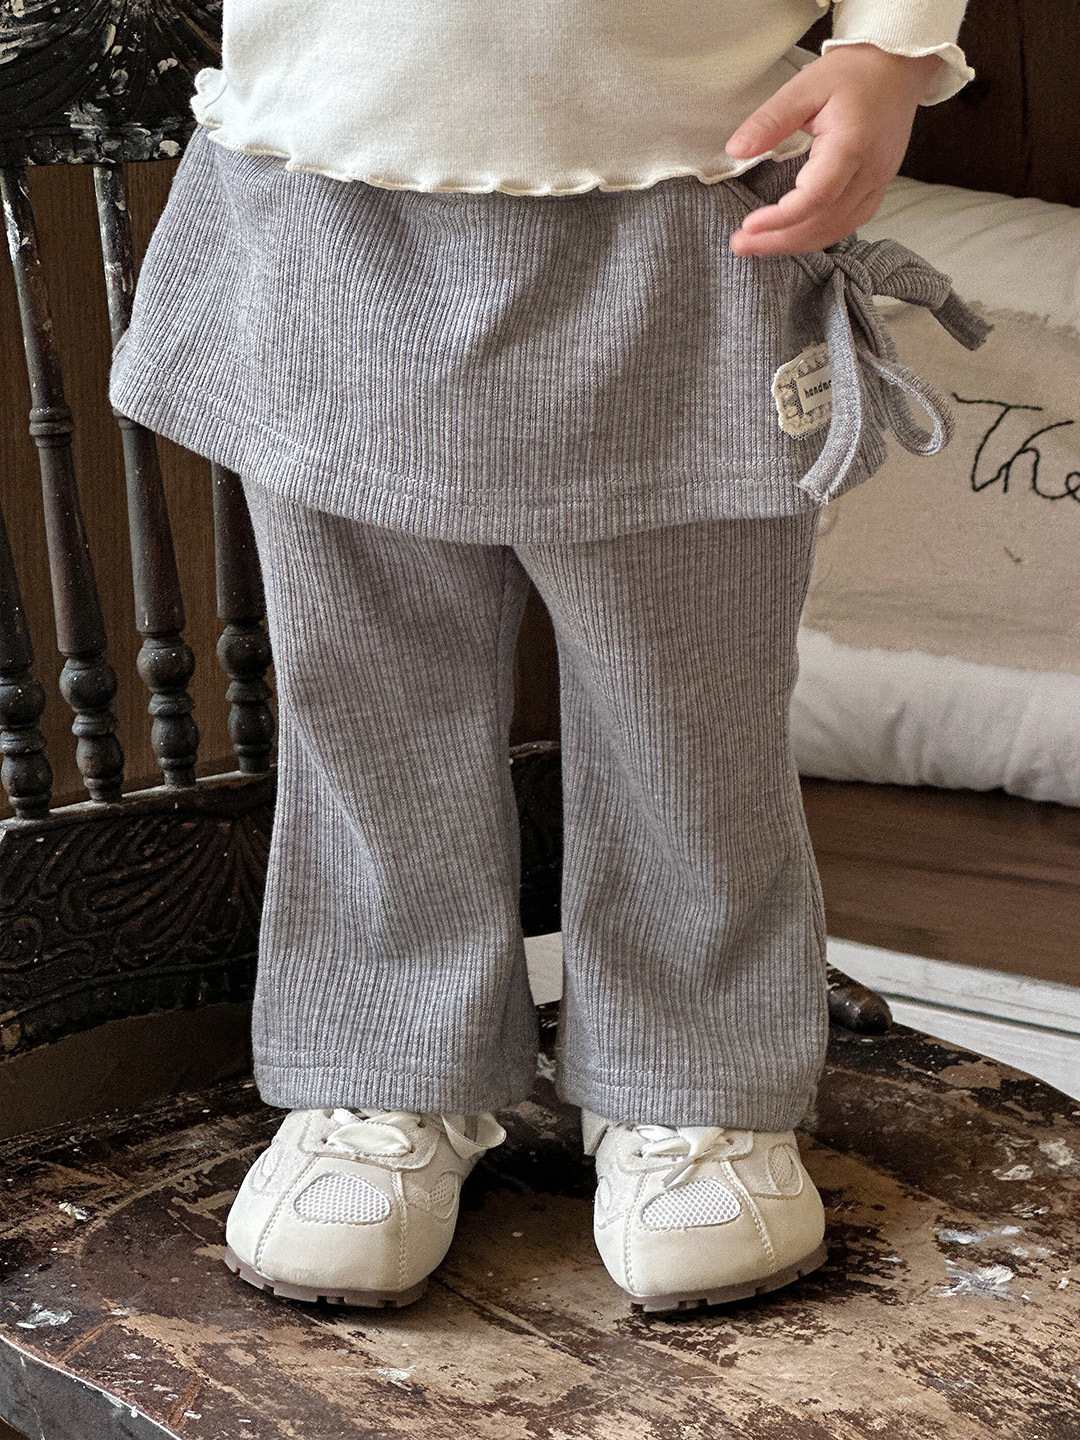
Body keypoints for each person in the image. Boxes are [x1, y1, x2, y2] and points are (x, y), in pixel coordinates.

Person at [109, 0, 989, 1314]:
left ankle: (693, 1078)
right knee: (367, 702)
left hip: (688, 177)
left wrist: (889, 48)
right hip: (330, 177)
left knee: (689, 711)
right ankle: (387, 1067)